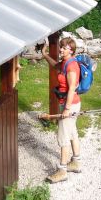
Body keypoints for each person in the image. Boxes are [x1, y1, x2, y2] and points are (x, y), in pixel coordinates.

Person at [41, 37, 82, 183]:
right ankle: (76, 162)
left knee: (63, 136)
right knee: (72, 133)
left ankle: (62, 170)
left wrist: (67, 109)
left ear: (71, 50)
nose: (61, 49)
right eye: (60, 47)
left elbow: (72, 88)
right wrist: (44, 54)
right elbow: (55, 66)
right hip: (71, 104)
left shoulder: (72, 66)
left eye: (63, 48)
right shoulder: (65, 62)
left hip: (69, 105)